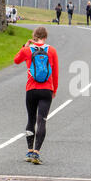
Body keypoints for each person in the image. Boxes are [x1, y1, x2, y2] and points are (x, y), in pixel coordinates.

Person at [14, 26, 59, 165]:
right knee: (42, 120)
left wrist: (24, 46)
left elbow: (16, 60)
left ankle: (29, 151)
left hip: (31, 89)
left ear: (34, 36)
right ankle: (37, 153)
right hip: (46, 89)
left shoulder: (28, 50)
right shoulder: (51, 50)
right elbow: (55, 73)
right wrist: (54, 90)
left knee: (31, 119)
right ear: (45, 36)